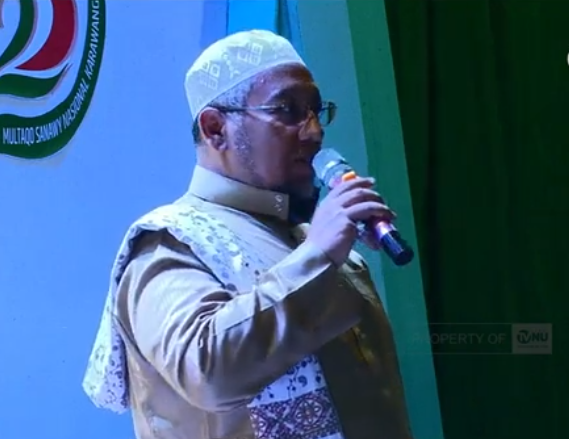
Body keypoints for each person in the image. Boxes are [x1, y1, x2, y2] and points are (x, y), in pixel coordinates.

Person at [82, 30, 413, 439]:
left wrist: (322, 252)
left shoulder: (314, 241)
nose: (314, 131)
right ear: (215, 128)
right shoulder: (169, 241)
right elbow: (208, 371)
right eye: (287, 110)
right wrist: (320, 255)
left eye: (316, 110)